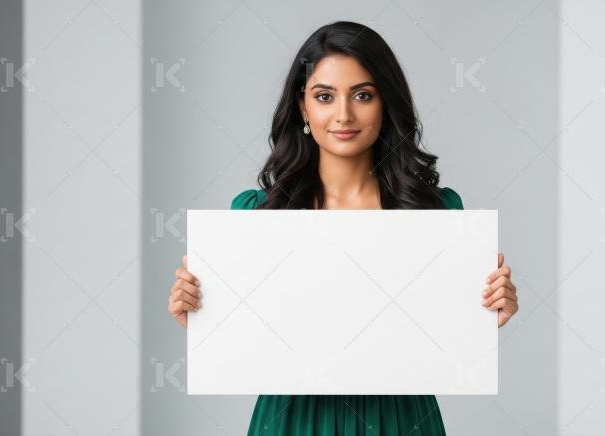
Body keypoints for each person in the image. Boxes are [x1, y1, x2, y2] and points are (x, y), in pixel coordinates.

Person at [167, 20, 519, 436]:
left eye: (363, 95)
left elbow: (449, 340)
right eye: (324, 96)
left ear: (386, 103)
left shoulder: (438, 213)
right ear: (303, 107)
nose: (343, 115)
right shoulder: (257, 216)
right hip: (292, 421)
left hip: (401, 421)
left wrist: (486, 314)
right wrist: (205, 317)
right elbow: (246, 345)